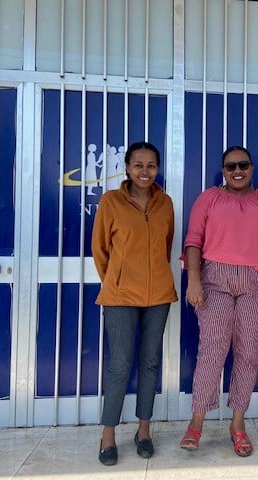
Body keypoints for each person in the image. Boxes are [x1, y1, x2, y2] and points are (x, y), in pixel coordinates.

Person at [178, 146, 258, 457]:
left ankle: (238, 424)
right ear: (222, 170)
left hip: (256, 281)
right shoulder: (208, 198)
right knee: (212, 349)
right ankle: (196, 423)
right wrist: (194, 281)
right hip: (215, 280)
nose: (238, 170)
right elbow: (193, 241)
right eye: (230, 166)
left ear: (252, 167)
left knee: (249, 353)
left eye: (244, 165)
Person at [92, 141, 177, 466]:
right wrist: (115, 280)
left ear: (157, 168)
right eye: (138, 165)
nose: (145, 171)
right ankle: (108, 434)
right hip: (120, 296)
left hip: (159, 297)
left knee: (150, 363)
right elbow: (100, 250)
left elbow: (166, 247)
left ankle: (144, 431)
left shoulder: (165, 203)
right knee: (120, 365)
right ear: (127, 168)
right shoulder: (111, 201)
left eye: (151, 165)